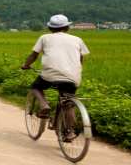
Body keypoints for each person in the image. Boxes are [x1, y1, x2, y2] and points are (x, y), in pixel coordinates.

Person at [20, 14, 89, 142]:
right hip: (72, 76)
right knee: (68, 102)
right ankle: (69, 132)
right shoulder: (77, 39)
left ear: (50, 28)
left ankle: (44, 105)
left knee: (35, 87)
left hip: (50, 74)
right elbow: (80, 59)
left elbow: (34, 55)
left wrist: (25, 65)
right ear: (67, 27)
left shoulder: (44, 37)